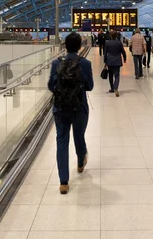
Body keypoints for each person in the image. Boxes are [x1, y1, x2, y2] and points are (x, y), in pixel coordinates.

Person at [47, 32, 94, 194]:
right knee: (79, 136)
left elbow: (51, 86)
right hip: (79, 107)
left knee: (62, 140)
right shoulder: (85, 63)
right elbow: (90, 87)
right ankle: (81, 162)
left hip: (60, 108)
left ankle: (63, 182)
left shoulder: (56, 64)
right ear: (80, 46)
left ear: (65, 46)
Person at [104, 31, 127, 97]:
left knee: (110, 75)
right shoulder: (119, 43)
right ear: (116, 36)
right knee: (117, 75)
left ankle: (112, 88)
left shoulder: (107, 43)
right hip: (117, 61)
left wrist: (105, 62)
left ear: (110, 36)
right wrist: (125, 59)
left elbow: (105, 53)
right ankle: (116, 88)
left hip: (110, 61)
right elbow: (123, 52)